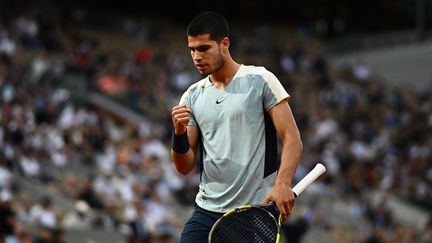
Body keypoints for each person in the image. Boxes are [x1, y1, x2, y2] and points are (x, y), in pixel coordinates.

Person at [170, 11, 303, 242]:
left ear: (224, 44)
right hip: (206, 210)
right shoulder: (191, 95)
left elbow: (292, 138)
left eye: (203, 48)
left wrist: (282, 184)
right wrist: (179, 134)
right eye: (192, 50)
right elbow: (184, 166)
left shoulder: (261, 79)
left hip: (252, 211)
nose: (196, 56)